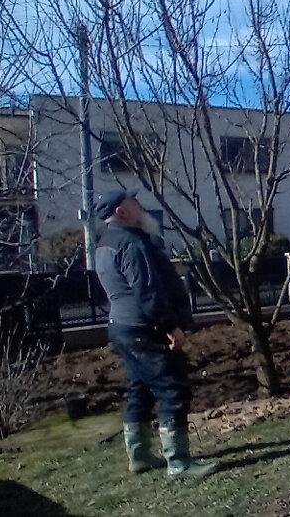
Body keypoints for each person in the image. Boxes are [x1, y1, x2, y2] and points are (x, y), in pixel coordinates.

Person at [92, 189, 215, 479]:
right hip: (144, 329)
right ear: (121, 212)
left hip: (123, 327)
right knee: (172, 390)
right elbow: (147, 290)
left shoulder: (104, 244)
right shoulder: (131, 244)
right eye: (133, 202)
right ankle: (179, 463)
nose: (140, 205)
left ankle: (140, 456)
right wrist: (169, 326)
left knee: (140, 389)